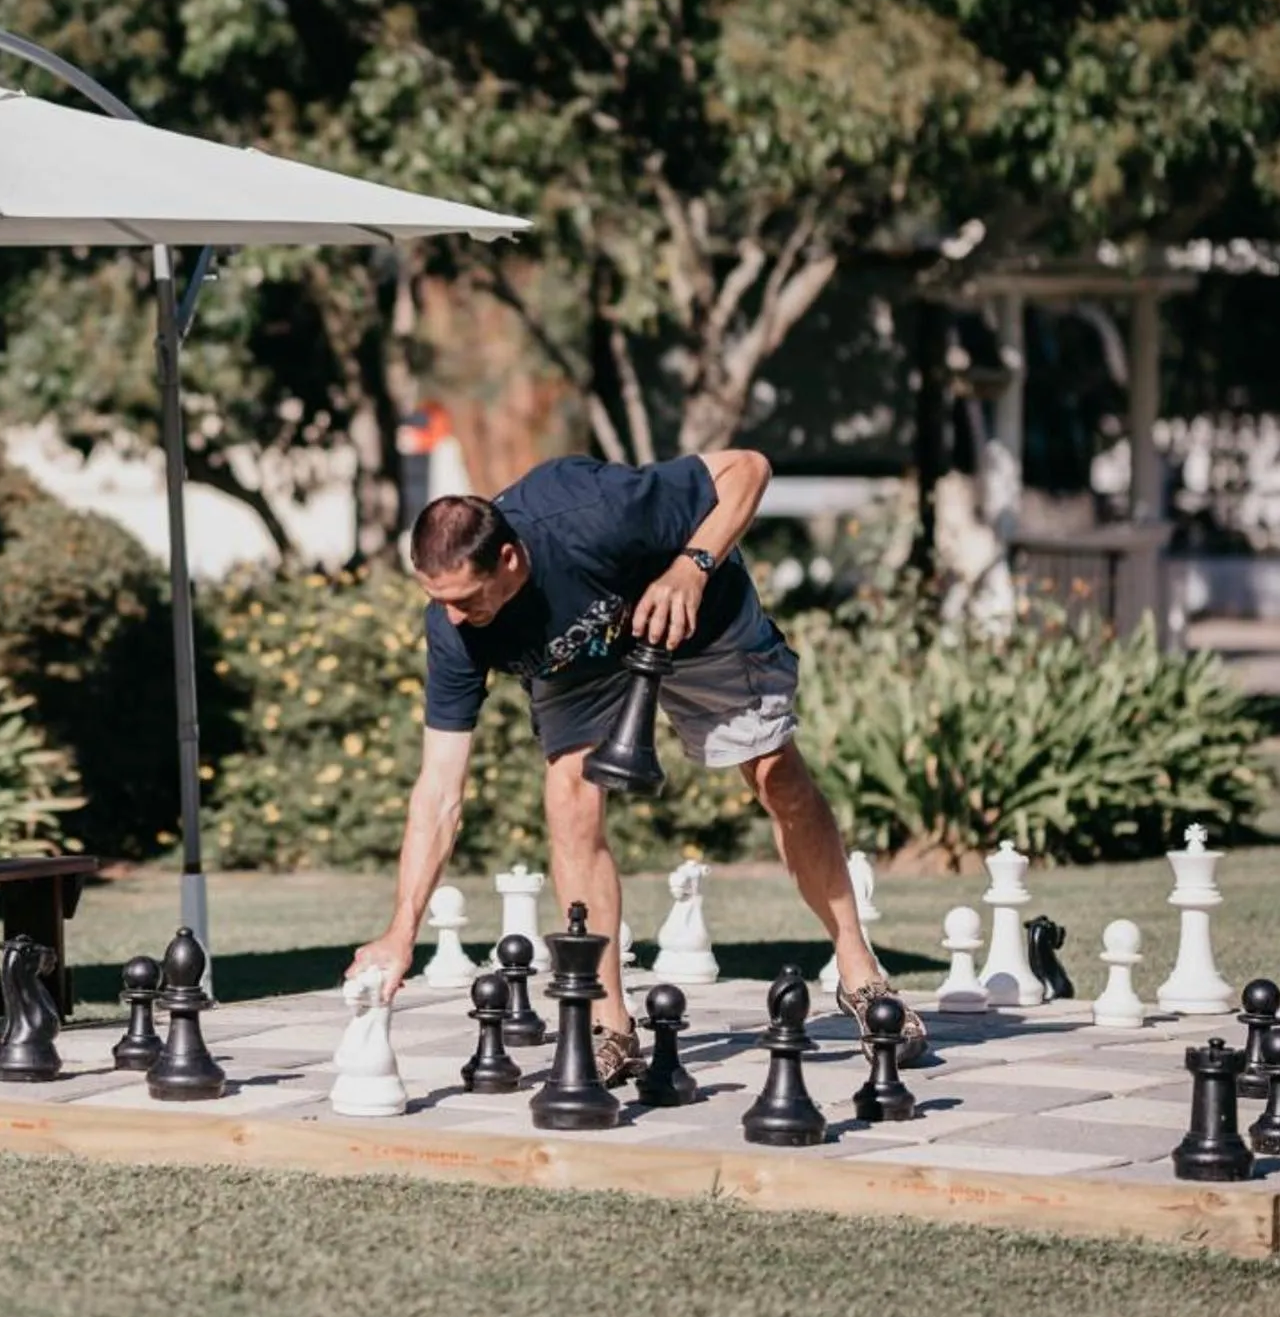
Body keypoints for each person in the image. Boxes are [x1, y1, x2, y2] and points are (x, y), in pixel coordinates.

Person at [345, 449, 925, 1085]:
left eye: (466, 598)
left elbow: (749, 468)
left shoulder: (592, 511)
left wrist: (692, 565)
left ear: (508, 559)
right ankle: (609, 1024)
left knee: (775, 775)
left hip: (699, 622)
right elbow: (438, 794)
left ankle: (857, 968)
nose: (454, 615)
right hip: (582, 668)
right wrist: (401, 932)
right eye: (440, 600)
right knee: (570, 798)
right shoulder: (455, 630)